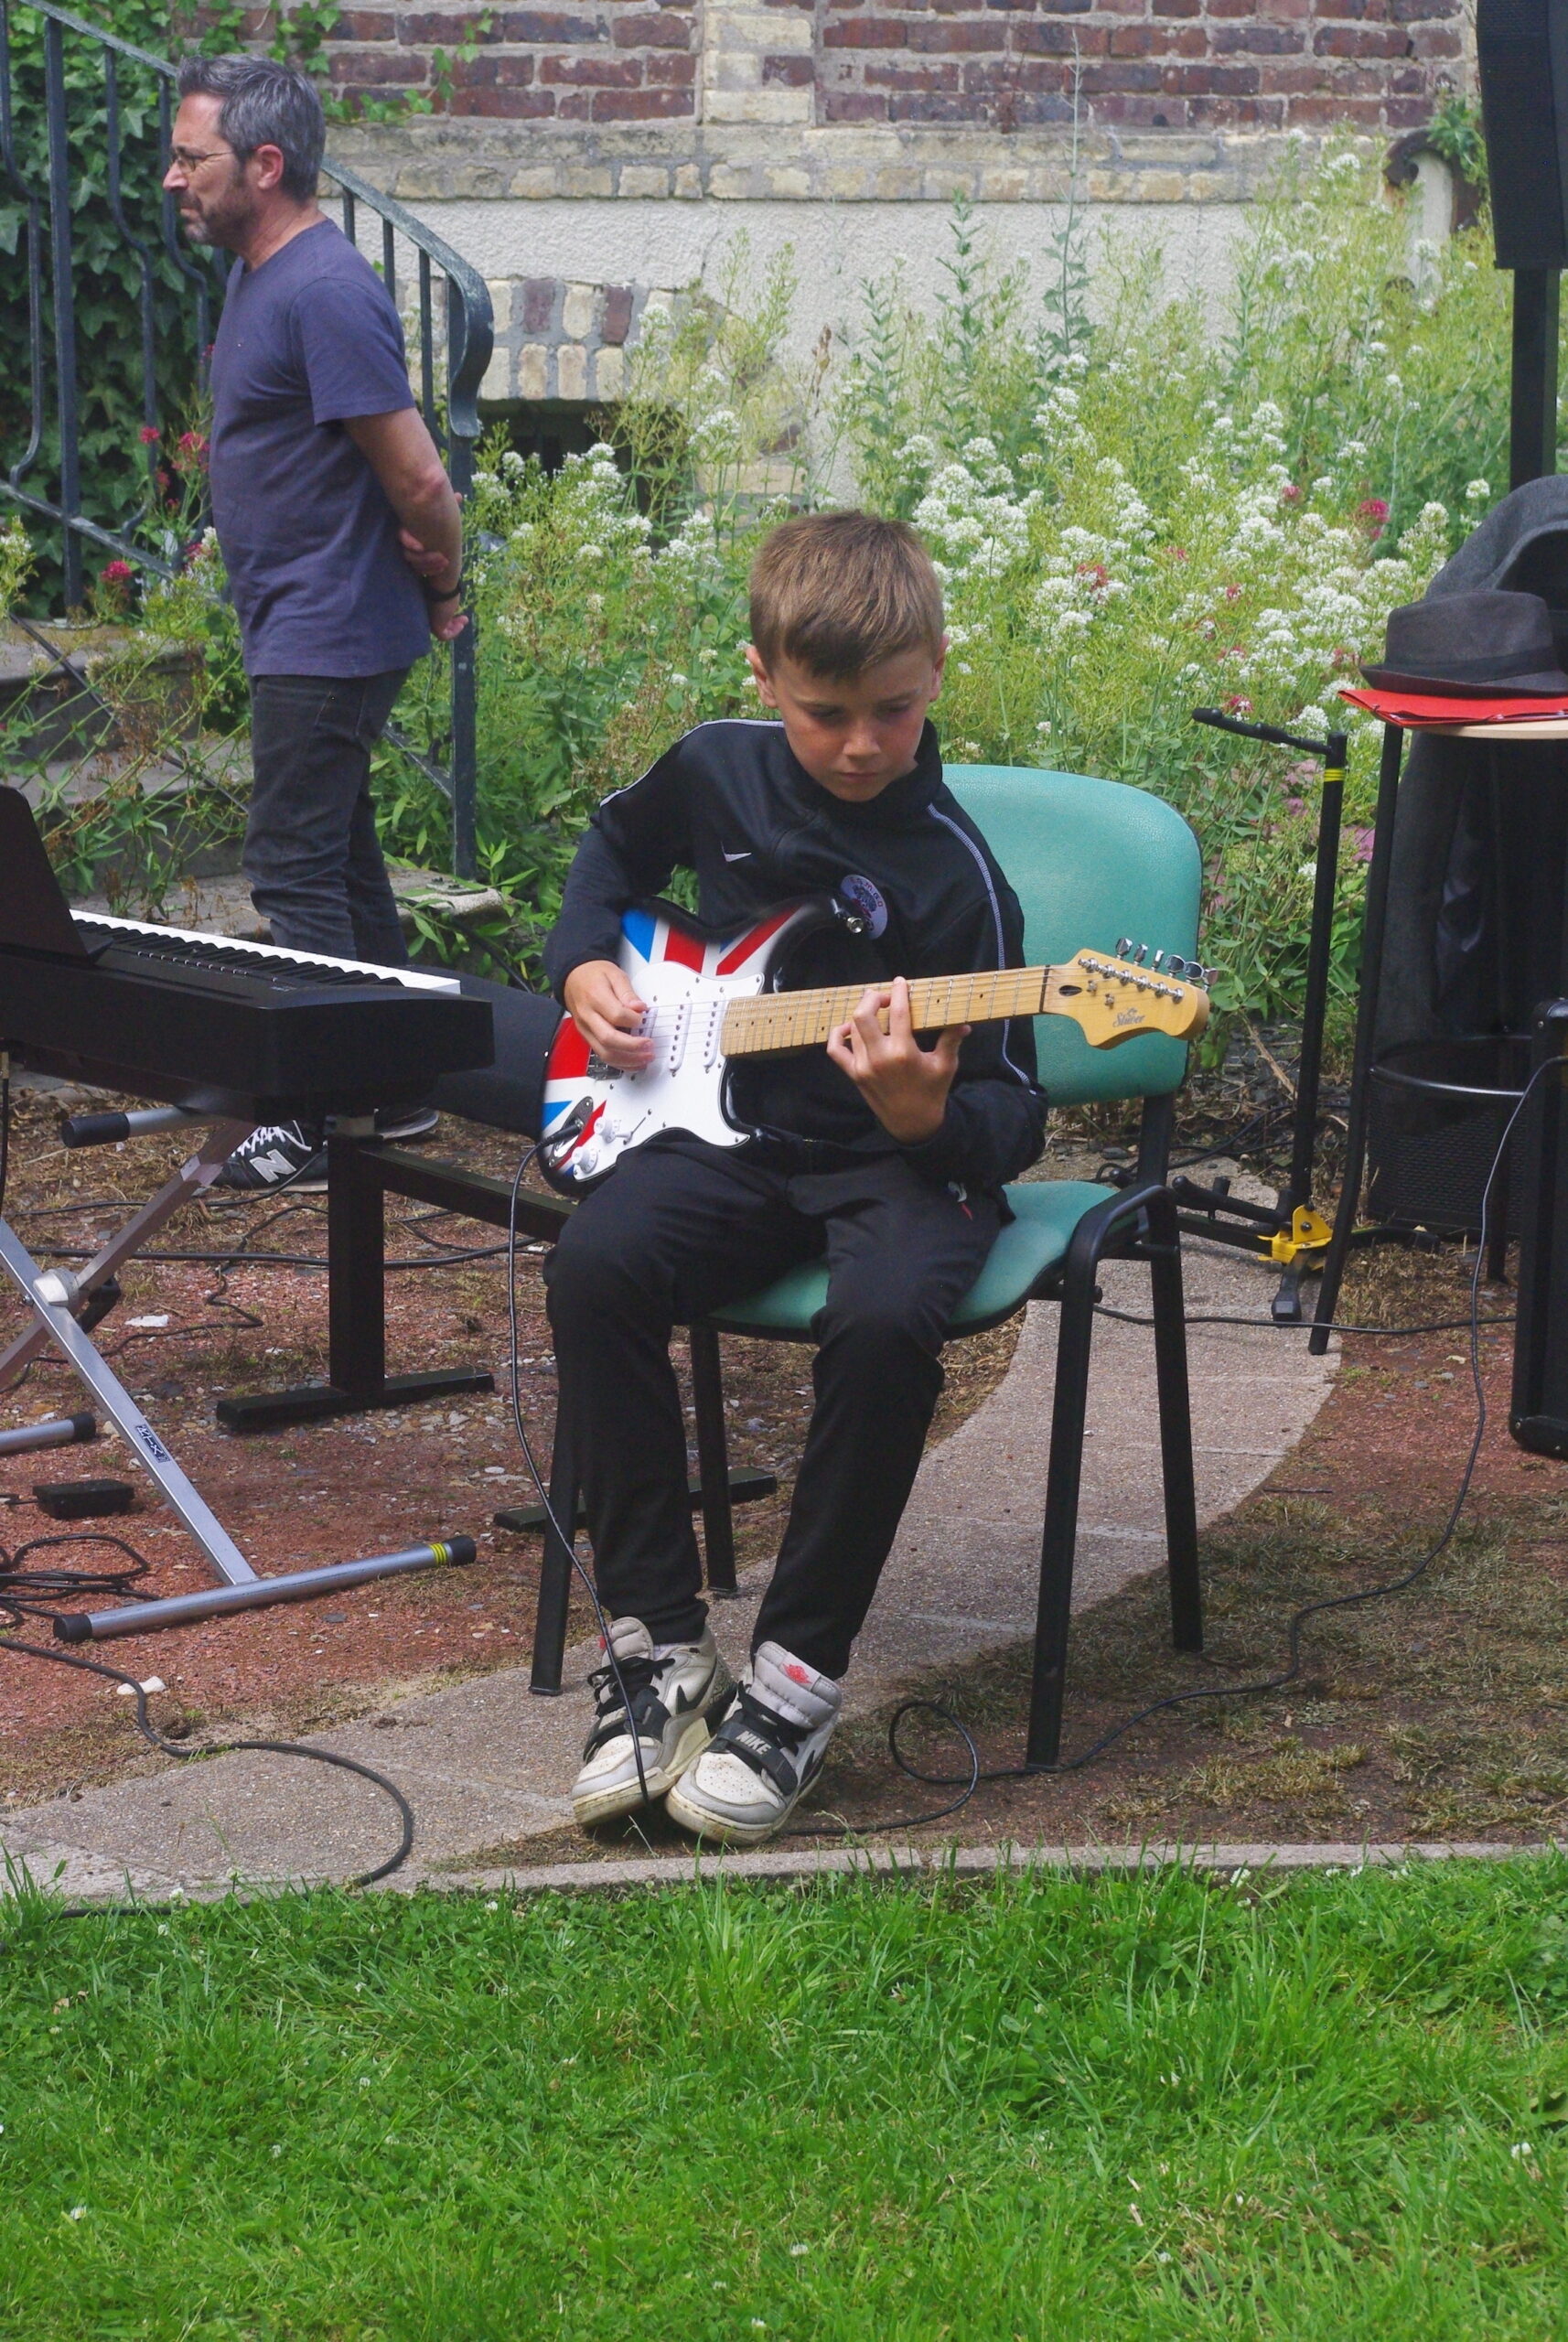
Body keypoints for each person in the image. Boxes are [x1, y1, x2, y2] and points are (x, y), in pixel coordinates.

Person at [543, 512, 1047, 1844]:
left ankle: (795, 1684)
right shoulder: (715, 767)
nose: (862, 744)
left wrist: (927, 1117)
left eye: (892, 710)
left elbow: (1014, 1115)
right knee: (595, 1265)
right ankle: (658, 1648)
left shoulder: (960, 883)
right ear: (763, 676)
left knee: (882, 1323)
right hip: (734, 1140)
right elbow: (609, 852)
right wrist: (583, 962)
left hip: (900, 1169)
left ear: (936, 670)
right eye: (825, 714)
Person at [164, 55, 465, 1189]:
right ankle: (394, 1080)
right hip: (301, 615)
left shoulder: (326, 290)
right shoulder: (261, 274)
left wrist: (445, 580)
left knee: (291, 864)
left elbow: (419, 476)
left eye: (191, 158)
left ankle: (318, 1111)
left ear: (264, 164)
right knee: (339, 854)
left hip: (329, 625)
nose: (173, 178)